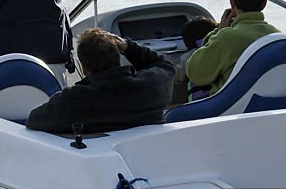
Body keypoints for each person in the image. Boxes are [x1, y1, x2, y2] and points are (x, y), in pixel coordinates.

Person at [26, 28, 175, 133]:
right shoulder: (151, 86)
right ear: (118, 59)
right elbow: (165, 65)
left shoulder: (72, 101)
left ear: (84, 69)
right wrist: (129, 47)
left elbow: (33, 120)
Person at [186, 0, 280, 95]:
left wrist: (218, 32)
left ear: (231, 2)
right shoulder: (278, 37)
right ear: (264, 3)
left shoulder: (226, 38)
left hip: (231, 111)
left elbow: (195, 73)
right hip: (270, 108)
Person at [172, 15, 217, 104]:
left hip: (198, 102)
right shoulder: (218, 49)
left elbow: (179, 77)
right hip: (219, 97)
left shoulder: (189, 57)